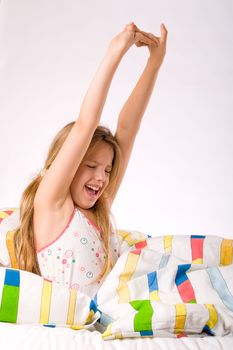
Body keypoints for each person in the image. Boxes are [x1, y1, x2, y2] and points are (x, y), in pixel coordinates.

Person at [13, 22, 168, 298]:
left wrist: (154, 64)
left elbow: (128, 128)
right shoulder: (51, 205)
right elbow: (86, 124)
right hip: (76, 319)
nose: (102, 178)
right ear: (68, 164)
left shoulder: (99, 208)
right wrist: (115, 53)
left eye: (107, 170)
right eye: (91, 166)